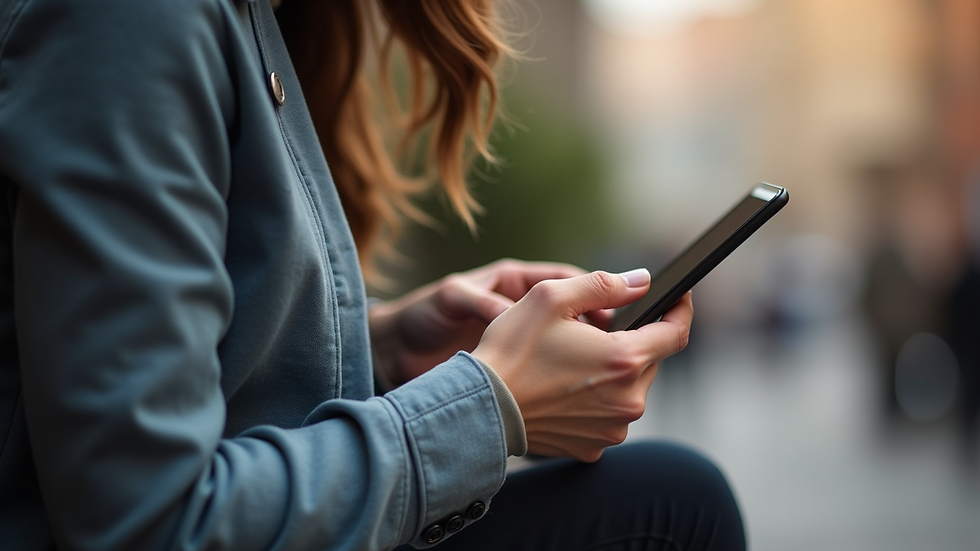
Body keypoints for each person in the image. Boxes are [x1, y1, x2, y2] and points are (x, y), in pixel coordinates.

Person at [0, 0, 745, 549]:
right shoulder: (134, 22)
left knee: (673, 494)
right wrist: (488, 406)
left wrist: (385, 345)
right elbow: (150, 522)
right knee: (672, 507)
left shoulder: (257, 23)